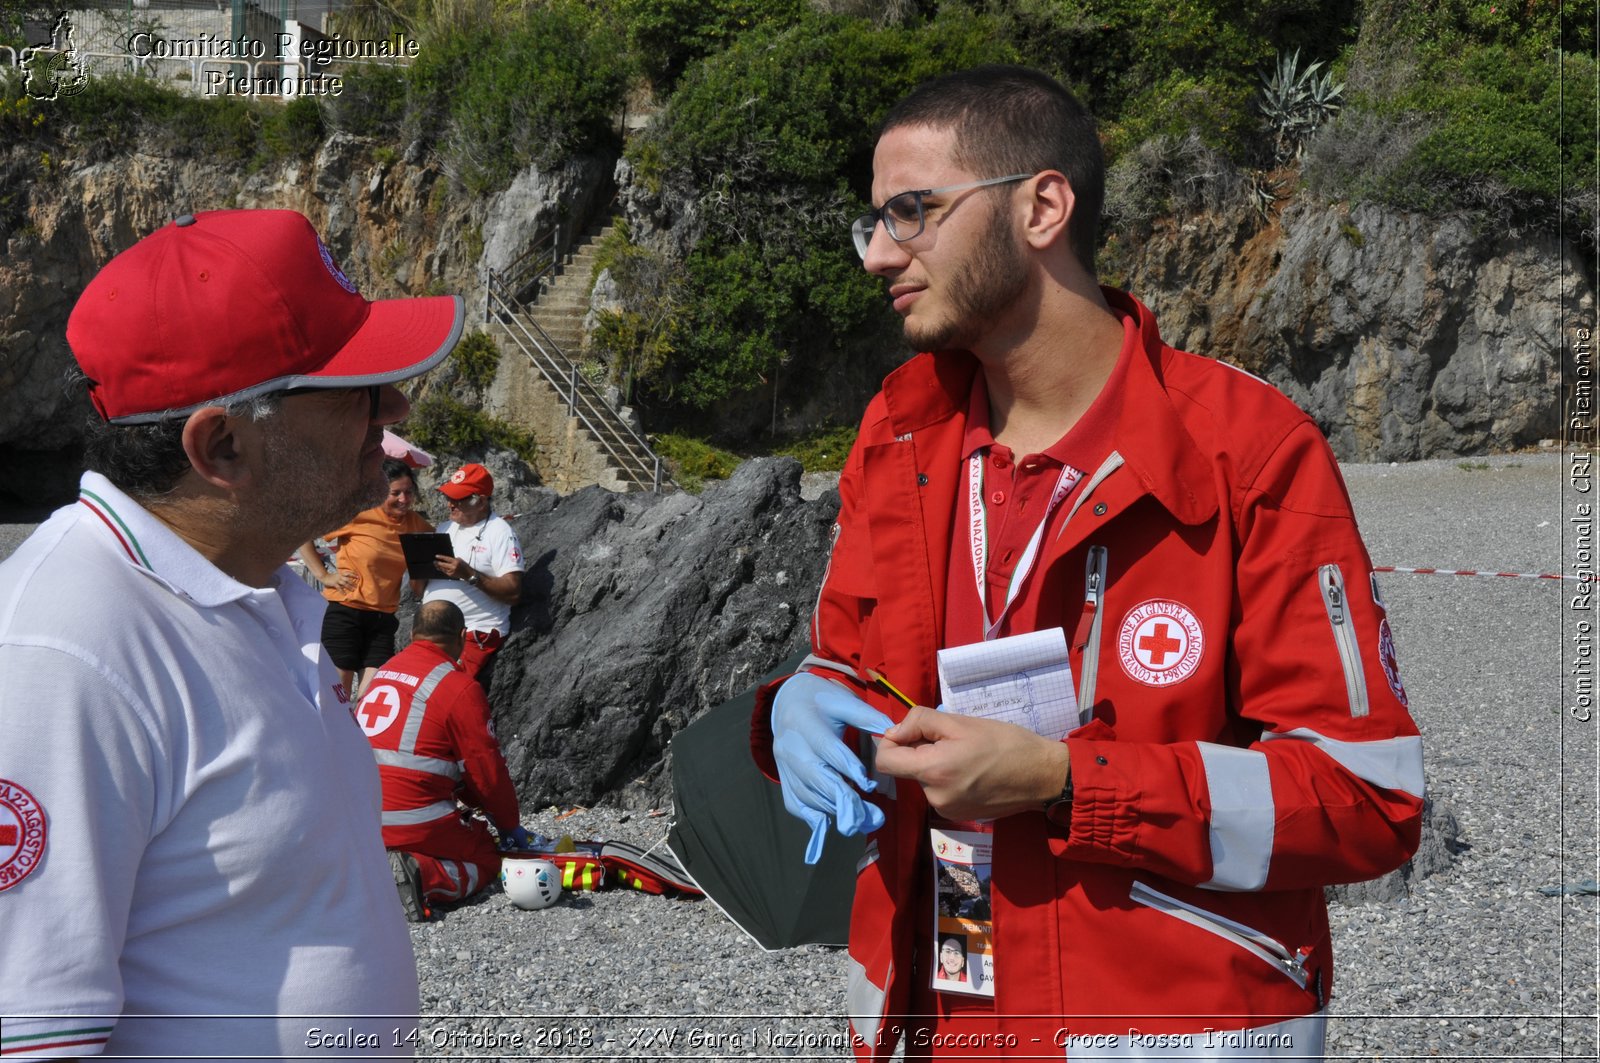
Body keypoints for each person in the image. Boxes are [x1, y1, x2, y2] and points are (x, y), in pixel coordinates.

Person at [753, 66, 1425, 1060]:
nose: (878, 255)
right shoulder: (897, 431)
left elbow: (1366, 803)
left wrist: (1068, 784)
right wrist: (805, 700)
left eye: (910, 213)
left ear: (1041, 206)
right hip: (954, 1002)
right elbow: (862, 673)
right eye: (874, 222)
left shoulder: (1248, 450)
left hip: (1168, 1027)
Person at [0, 208, 464, 1059]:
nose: (393, 408)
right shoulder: (61, 653)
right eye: (354, 388)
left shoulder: (265, 592)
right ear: (221, 446)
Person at [358, 600, 532, 921]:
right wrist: (508, 825)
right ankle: (423, 875)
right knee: (485, 856)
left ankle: (371, 867)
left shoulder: (381, 675)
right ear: (463, 637)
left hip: (356, 817)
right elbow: (487, 771)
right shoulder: (459, 687)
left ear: (412, 633)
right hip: (409, 821)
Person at [296, 458, 432, 699]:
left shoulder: (416, 525)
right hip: (345, 612)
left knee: (371, 697)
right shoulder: (358, 513)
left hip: (384, 620)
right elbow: (302, 532)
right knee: (338, 695)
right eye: (396, 493)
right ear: (381, 491)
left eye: (409, 492)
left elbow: (440, 548)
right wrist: (324, 575)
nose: (404, 499)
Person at [420, 462, 524, 692]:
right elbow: (421, 589)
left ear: (481, 500)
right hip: (433, 629)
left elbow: (514, 592)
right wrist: (417, 569)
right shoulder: (445, 527)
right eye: (449, 497)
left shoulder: (500, 533)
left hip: (473, 632)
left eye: (459, 499)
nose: (450, 504)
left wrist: (469, 575)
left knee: (445, 693)